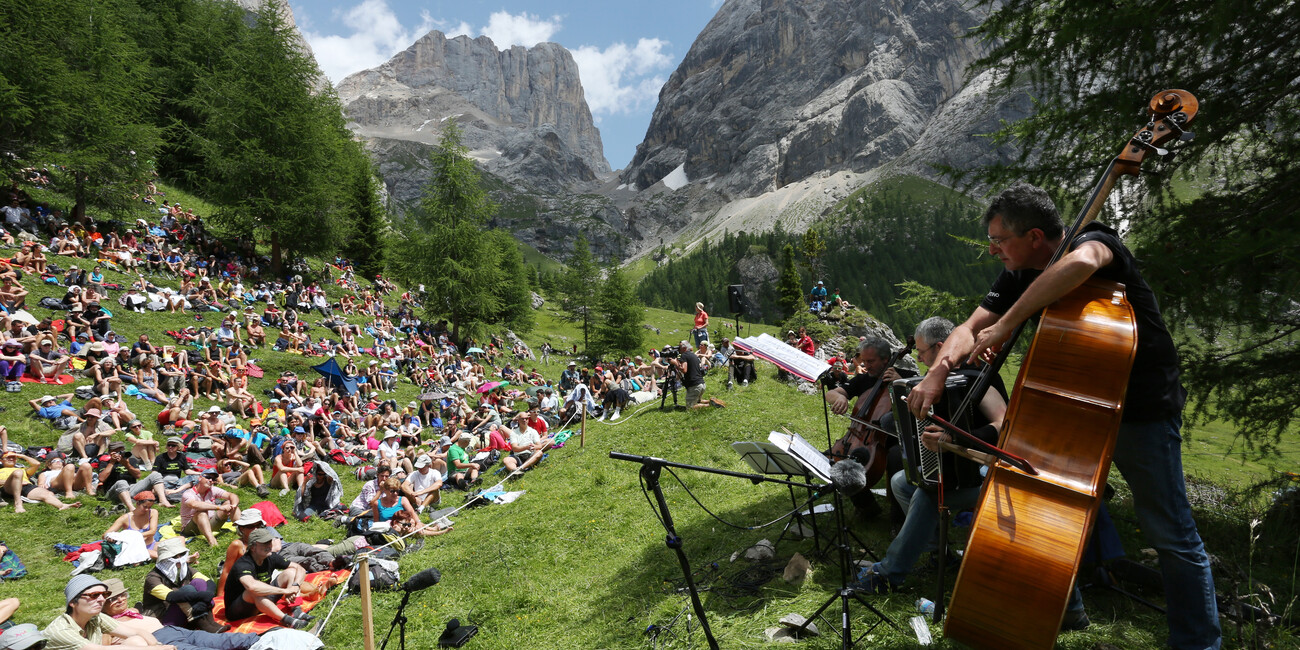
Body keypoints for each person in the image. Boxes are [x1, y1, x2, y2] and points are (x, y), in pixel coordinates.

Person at [906, 182, 1220, 646]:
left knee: (1170, 532)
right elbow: (969, 327)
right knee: (1040, 502)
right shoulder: (1017, 271)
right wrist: (939, 371)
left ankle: (1197, 642)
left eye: (1000, 240)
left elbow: (1084, 264)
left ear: (1035, 236)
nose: (993, 250)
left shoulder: (1093, 239)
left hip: (1141, 410)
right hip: (1069, 405)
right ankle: (1062, 609)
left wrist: (1009, 322)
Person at [852, 317, 1007, 593]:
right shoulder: (935, 380)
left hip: (990, 469)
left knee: (929, 493)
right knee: (901, 481)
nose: (920, 359)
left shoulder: (977, 376)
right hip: (956, 468)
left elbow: (1002, 423)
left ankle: (889, 574)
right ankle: (941, 556)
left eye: (922, 352)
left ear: (939, 347)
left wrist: (953, 438)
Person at [823, 336, 916, 520]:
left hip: (898, 437)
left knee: (896, 458)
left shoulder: (907, 376)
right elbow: (831, 393)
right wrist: (840, 397)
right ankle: (866, 506)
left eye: (870, 361)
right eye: (863, 361)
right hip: (867, 439)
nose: (866, 366)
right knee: (836, 460)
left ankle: (898, 518)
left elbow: (922, 403)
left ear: (886, 359)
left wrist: (901, 386)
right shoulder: (864, 379)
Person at [103, 575, 257, 645]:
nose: (120, 600)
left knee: (223, 640)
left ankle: (263, 641)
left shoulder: (131, 611)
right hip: (161, 641)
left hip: (175, 630)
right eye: (113, 599)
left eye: (122, 595)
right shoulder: (105, 625)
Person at [43, 575, 176, 650]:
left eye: (104, 594)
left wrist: (157, 646)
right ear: (73, 602)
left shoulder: (95, 617)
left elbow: (137, 632)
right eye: (94, 595)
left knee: (137, 641)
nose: (101, 599)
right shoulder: (61, 630)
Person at [221, 528, 311, 630]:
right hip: (239, 610)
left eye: (270, 541)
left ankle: (297, 610)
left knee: (290, 572)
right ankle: (288, 621)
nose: (269, 545)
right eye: (265, 543)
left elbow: (300, 568)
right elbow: (252, 587)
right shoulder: (243, 564)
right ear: (253, 547)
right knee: (254, 591)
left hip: (263, 600)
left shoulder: (270, 556)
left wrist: (295, 586)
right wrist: (285, 590)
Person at [179, 470, 238, 547]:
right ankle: (213, 543)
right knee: (201, 513)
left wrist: (234, 505)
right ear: (200, 478)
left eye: (213, 479)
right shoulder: (188, 493)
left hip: (210, 523)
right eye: (208, 477)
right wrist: (219, 507)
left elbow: (231, 495)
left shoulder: (213, 489)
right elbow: (194, 504)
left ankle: (242, 530)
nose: (211, 480)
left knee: (229, 503)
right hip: (191, 528)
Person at [669, 340, 724, 410]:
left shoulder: (684, 355)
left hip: (694, 386)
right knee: (698, 401)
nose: (678, 349)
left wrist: (675, 363)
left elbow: (684, 370)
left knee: (690, 407)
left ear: (684, 348)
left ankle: (711, 405)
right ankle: (711, 401)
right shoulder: (693, 355)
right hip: (701, 384)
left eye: (679, 347)